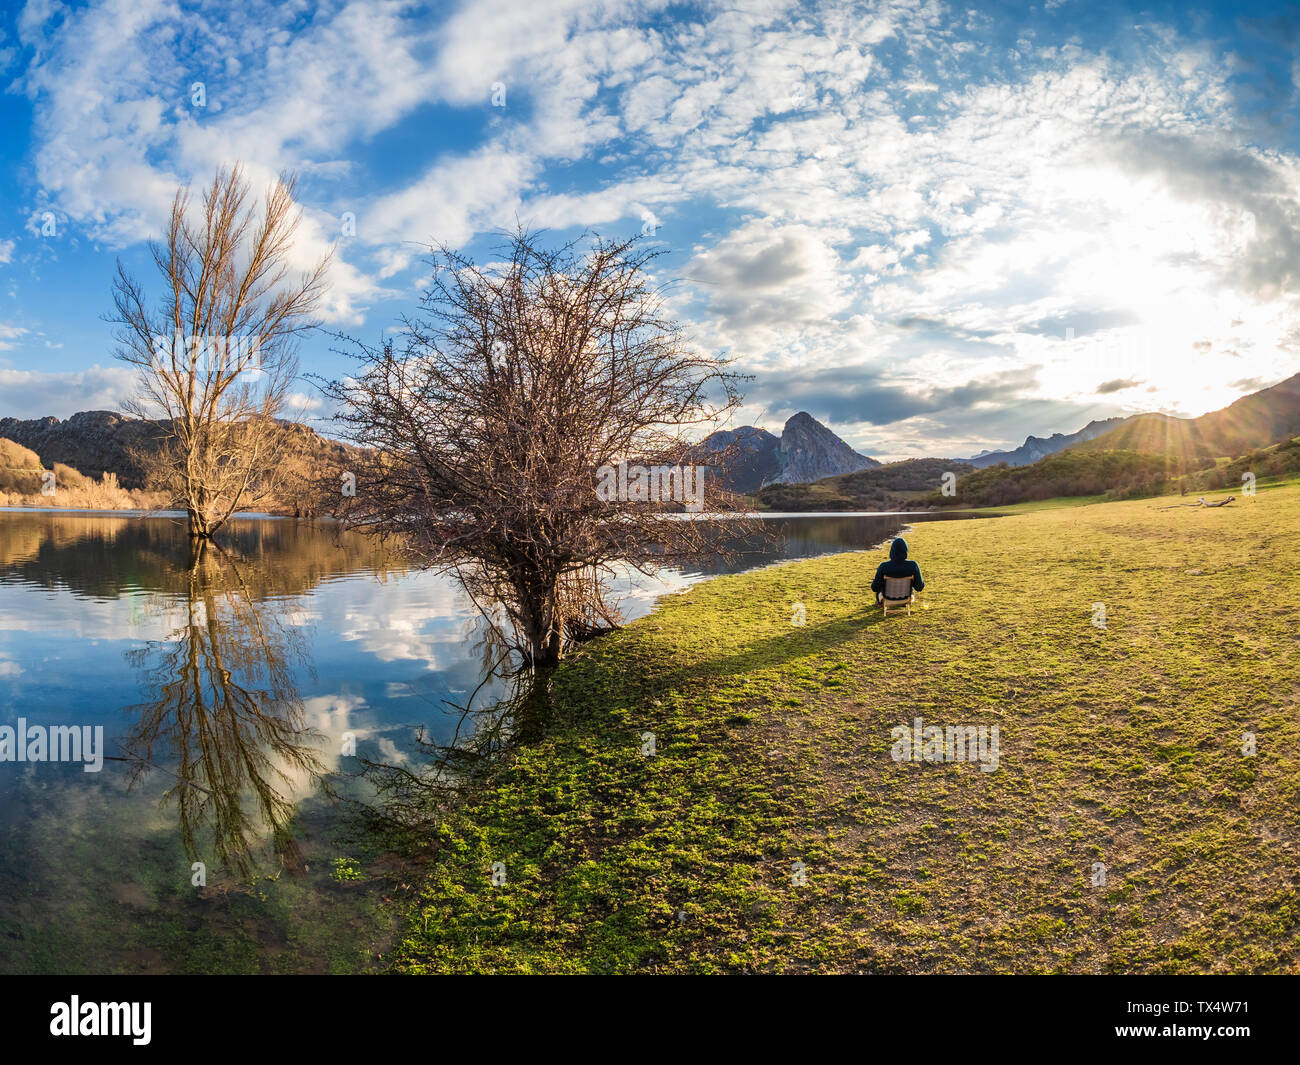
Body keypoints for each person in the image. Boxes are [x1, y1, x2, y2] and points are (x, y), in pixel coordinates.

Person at [872, 536, 924, 607]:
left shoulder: (884, 566)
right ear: (905, 550)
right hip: (906, 598)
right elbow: (919, 587)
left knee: (879, 586)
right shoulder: (913, 565)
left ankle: (881, 602)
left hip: (887, 598)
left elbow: (874, 587)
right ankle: (902, 602)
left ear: (892, 550)